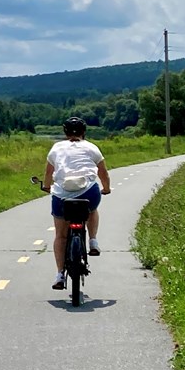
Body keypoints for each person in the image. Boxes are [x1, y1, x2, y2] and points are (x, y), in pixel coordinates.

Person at [43, 116, 110, 290]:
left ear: (65, 132)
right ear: (84, 132)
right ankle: (93, 240)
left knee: (60, 235)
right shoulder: (92, 147)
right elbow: (103, 173)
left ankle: (59, 275)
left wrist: (47, 186)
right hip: (88, 191)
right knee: (92, 209)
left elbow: (49, 174)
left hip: (61, 196)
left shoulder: (56, 148)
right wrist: (106, 188)